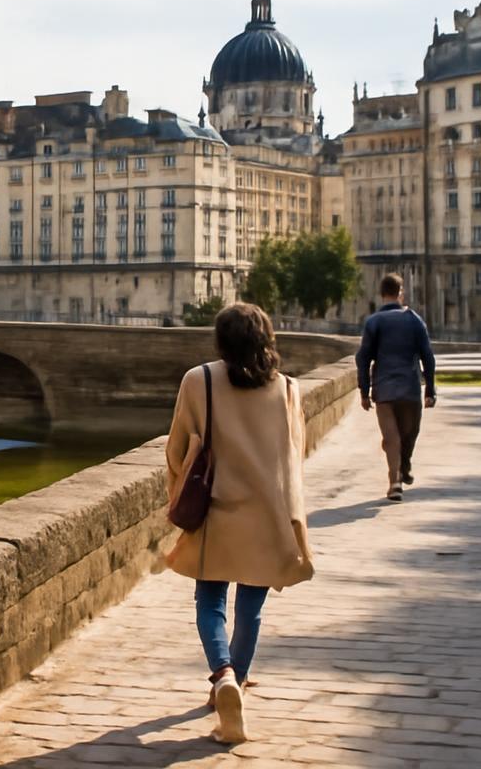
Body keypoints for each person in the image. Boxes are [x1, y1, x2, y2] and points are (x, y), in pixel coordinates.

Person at [165, 302, 314, 745]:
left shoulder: (201, 380)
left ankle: (223, 674)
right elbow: (294, 455)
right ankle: (238, 681)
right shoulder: (287, 389)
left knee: (209, 601)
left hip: (216, 511)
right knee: (251, 606)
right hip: (268, 512)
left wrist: (176, 488)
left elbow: (177, 451)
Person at [354, 273, 438, 502]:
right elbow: (428, 357)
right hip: (410, 387)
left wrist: (364, 391)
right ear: (401, 292)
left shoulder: (373, 322)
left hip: (384, 389)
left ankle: (395, 481)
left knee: (391, 438)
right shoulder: (414, 320)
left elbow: (363, 359)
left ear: (381, 294)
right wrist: (430, 389)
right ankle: (403, 468)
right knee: (409, 433)